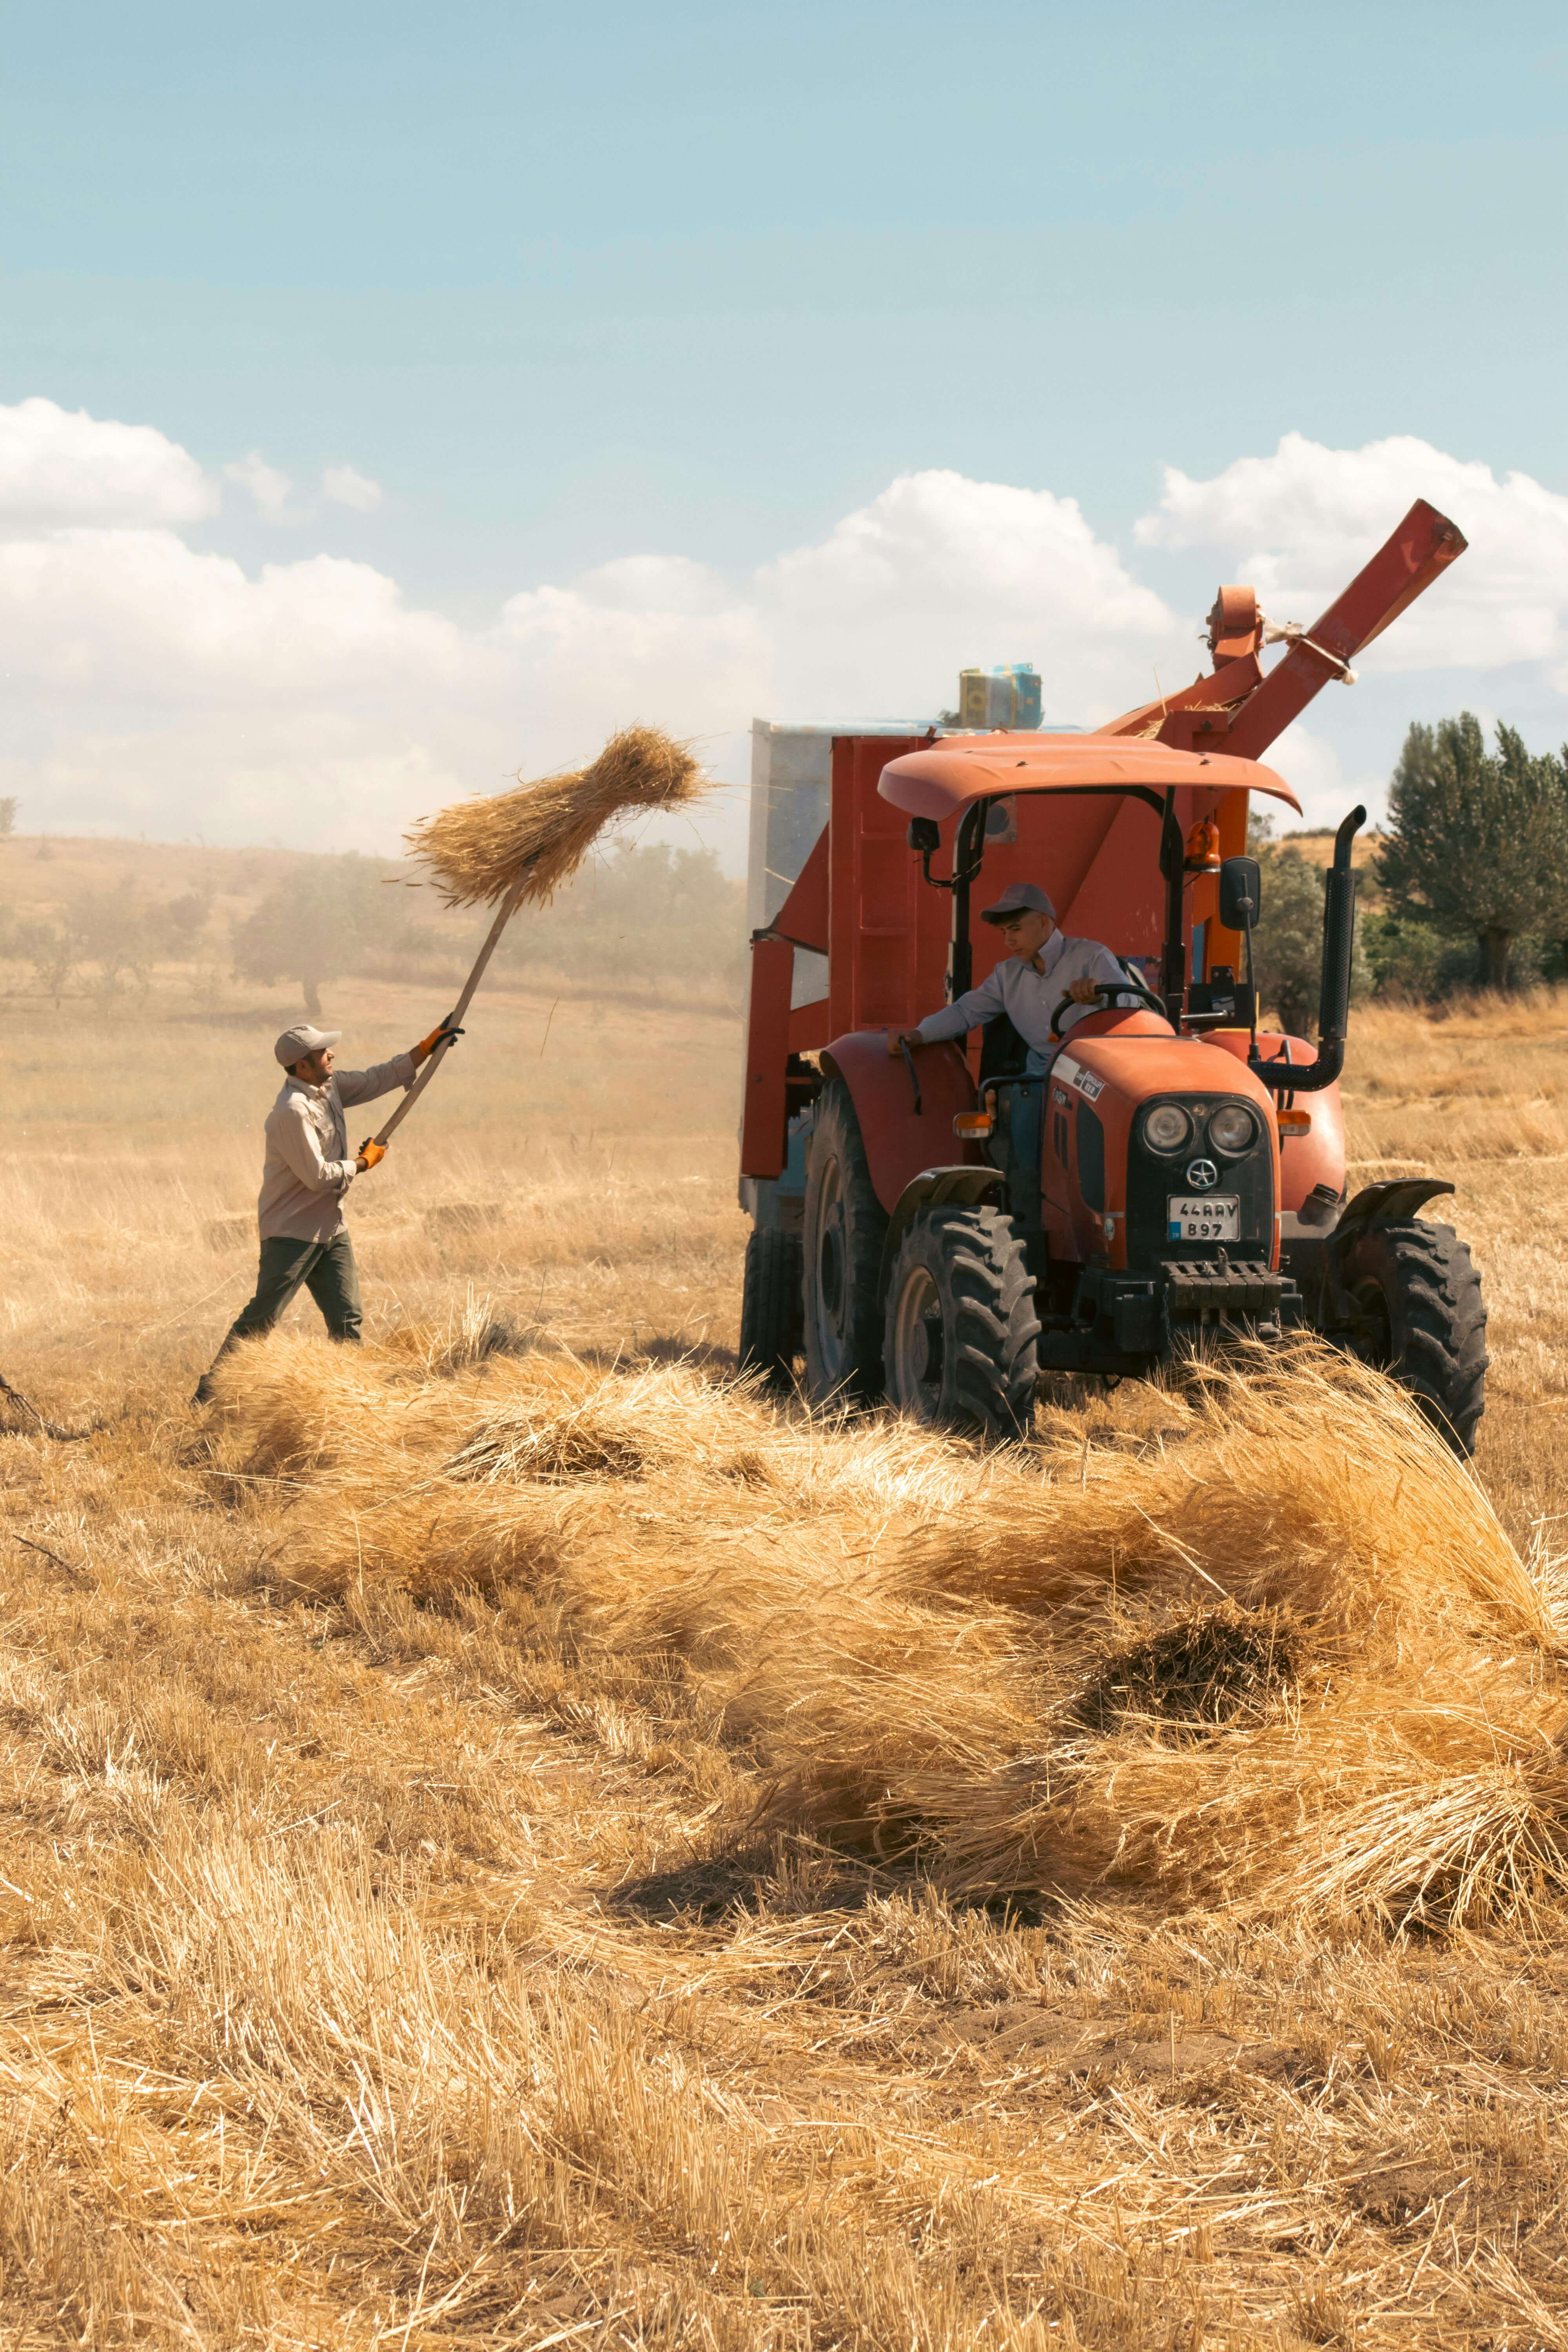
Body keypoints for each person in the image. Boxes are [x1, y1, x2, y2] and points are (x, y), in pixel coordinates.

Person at [192, 1014, 462, 1404]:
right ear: (302, 1065)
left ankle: (347, 1399)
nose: (331, 1054)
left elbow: (375, 1079)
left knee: (347, 1318)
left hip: (330, 1228)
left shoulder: (330, 1087)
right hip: (291, 1233)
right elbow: (318, 1176)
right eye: (323, 1052)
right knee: (263, 1318)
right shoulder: (291, 1112)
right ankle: (210, 1396)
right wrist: (363, 1164)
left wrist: (424, 1049)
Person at [886, 882, 1132, 1075]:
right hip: (1038, 1078)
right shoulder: (1007, 975)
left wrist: (1099, 992)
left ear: (1044, 922)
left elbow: (1129, 1005)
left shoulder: (1090, 957)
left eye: (1016, 929)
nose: (1008, 941)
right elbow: (965, 1012)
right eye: (1004, 932)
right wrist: (920, 1034)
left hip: (1094, 1074)